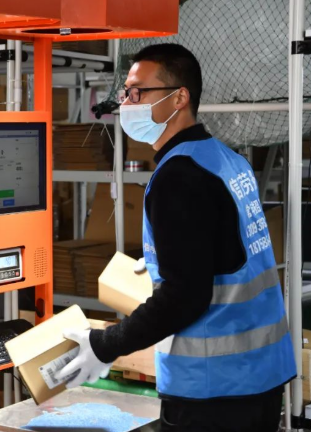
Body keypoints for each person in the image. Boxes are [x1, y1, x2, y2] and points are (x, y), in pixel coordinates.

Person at [53, 43, 296, 432]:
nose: (126, 103)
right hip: (260, 377)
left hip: (213, 390)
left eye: (137, 92)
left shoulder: (178, 177)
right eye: (125, 93)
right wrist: (166, 259)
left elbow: (185, 297)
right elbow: (226, 252)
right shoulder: (225, 159)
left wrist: (105, 344)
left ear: (179, 98)